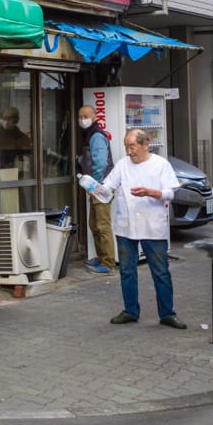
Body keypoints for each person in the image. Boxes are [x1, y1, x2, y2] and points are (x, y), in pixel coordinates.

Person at [94, 128, 186, 329]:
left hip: (152, 226)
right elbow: (108, 187)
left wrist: (152, 192)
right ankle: (130, 311)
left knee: (160, 271)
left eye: (132, 146)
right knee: (127, 271)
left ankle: (167, 313)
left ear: (146, 145)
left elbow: (172, 192)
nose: (129, 151)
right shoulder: (122, 165)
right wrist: (96, 190)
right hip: (126, 226)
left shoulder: (160, 164)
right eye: (126, 147)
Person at [77, 104, 115, 275]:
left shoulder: (96, 136)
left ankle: (108, 263)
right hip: (95, 187)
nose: (82, 119)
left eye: (85, 116)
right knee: (94, 225)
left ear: (95, 117)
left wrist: (94, 185)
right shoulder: (89, 135)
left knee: (102, 225)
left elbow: (100, 163)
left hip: (100, 188)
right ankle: (101, 258)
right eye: (80, 116)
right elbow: (90, 158)